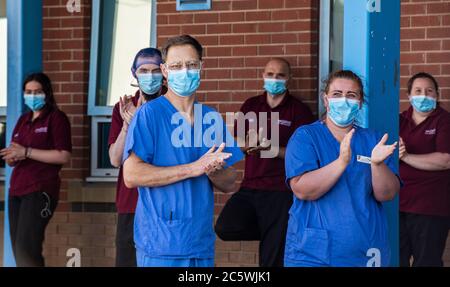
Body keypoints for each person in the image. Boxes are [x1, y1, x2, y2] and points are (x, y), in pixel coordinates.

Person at [122, 35, 243, 267]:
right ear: (165, 71)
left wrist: (213, 171)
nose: (184, 71)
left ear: (201, 67)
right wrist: (193, 168)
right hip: (161, 246)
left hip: (200, 245)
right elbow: (132, 175)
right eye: (176, 66)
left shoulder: (211, 118)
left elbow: (229, 183)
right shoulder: (150, 115)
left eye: (191, 65)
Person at [284, 70, 400, 267]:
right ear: (326, 100)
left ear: (361, 102)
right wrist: (341, 162)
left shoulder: (374, 140)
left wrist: (377, 164)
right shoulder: (305, 137)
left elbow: (386, 194)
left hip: (367, 252)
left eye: (351, 95)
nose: (344, 100)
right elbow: (302, 189)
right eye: (337, 94)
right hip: (312, 254)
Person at [214, 58, 315, 267]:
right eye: (270, 74)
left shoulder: (299, 111)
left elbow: (305, 155)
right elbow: (236, 145)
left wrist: (271, 148)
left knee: (271, 259)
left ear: (289, 79)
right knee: (225, 227)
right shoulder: (251, 105)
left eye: (280, 75)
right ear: (263, 76)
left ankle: (277, 233)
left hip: (281, 190)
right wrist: (249, 145)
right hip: (250, 186)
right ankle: (278, 232)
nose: (274, 79)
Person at [0, 72, 72, 267]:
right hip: (17, 191)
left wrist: (27, 152)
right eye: (29, 92)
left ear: (47, 93)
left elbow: (63, 155)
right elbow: (17, 153)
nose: (33, 96)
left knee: (27, 249)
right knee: (18, 249)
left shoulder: (56, 118)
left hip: (40, 192)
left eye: (37, 92)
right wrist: (13, 157)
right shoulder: (23, 120)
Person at [108, 47, 166, 267]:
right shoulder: (123, 108)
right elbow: (115, 159)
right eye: (143, 70)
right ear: (134, 73)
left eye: (154, 70)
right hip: (131, 203)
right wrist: (127, 125)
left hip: (163, 202)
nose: (149, 76)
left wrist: (143, 121)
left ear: (164, 72)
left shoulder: (173, 106)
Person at [399, 72, 450, 267]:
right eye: (418, 91)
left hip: (431, 207)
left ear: (437, 95)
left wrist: (406, 157)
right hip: (398, 204)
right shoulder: (399, 120)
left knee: (427, 262)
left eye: (429, 91)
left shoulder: (444, 121)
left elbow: (445, 160)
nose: (424, 95)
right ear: (409, 96)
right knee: (396, 259)